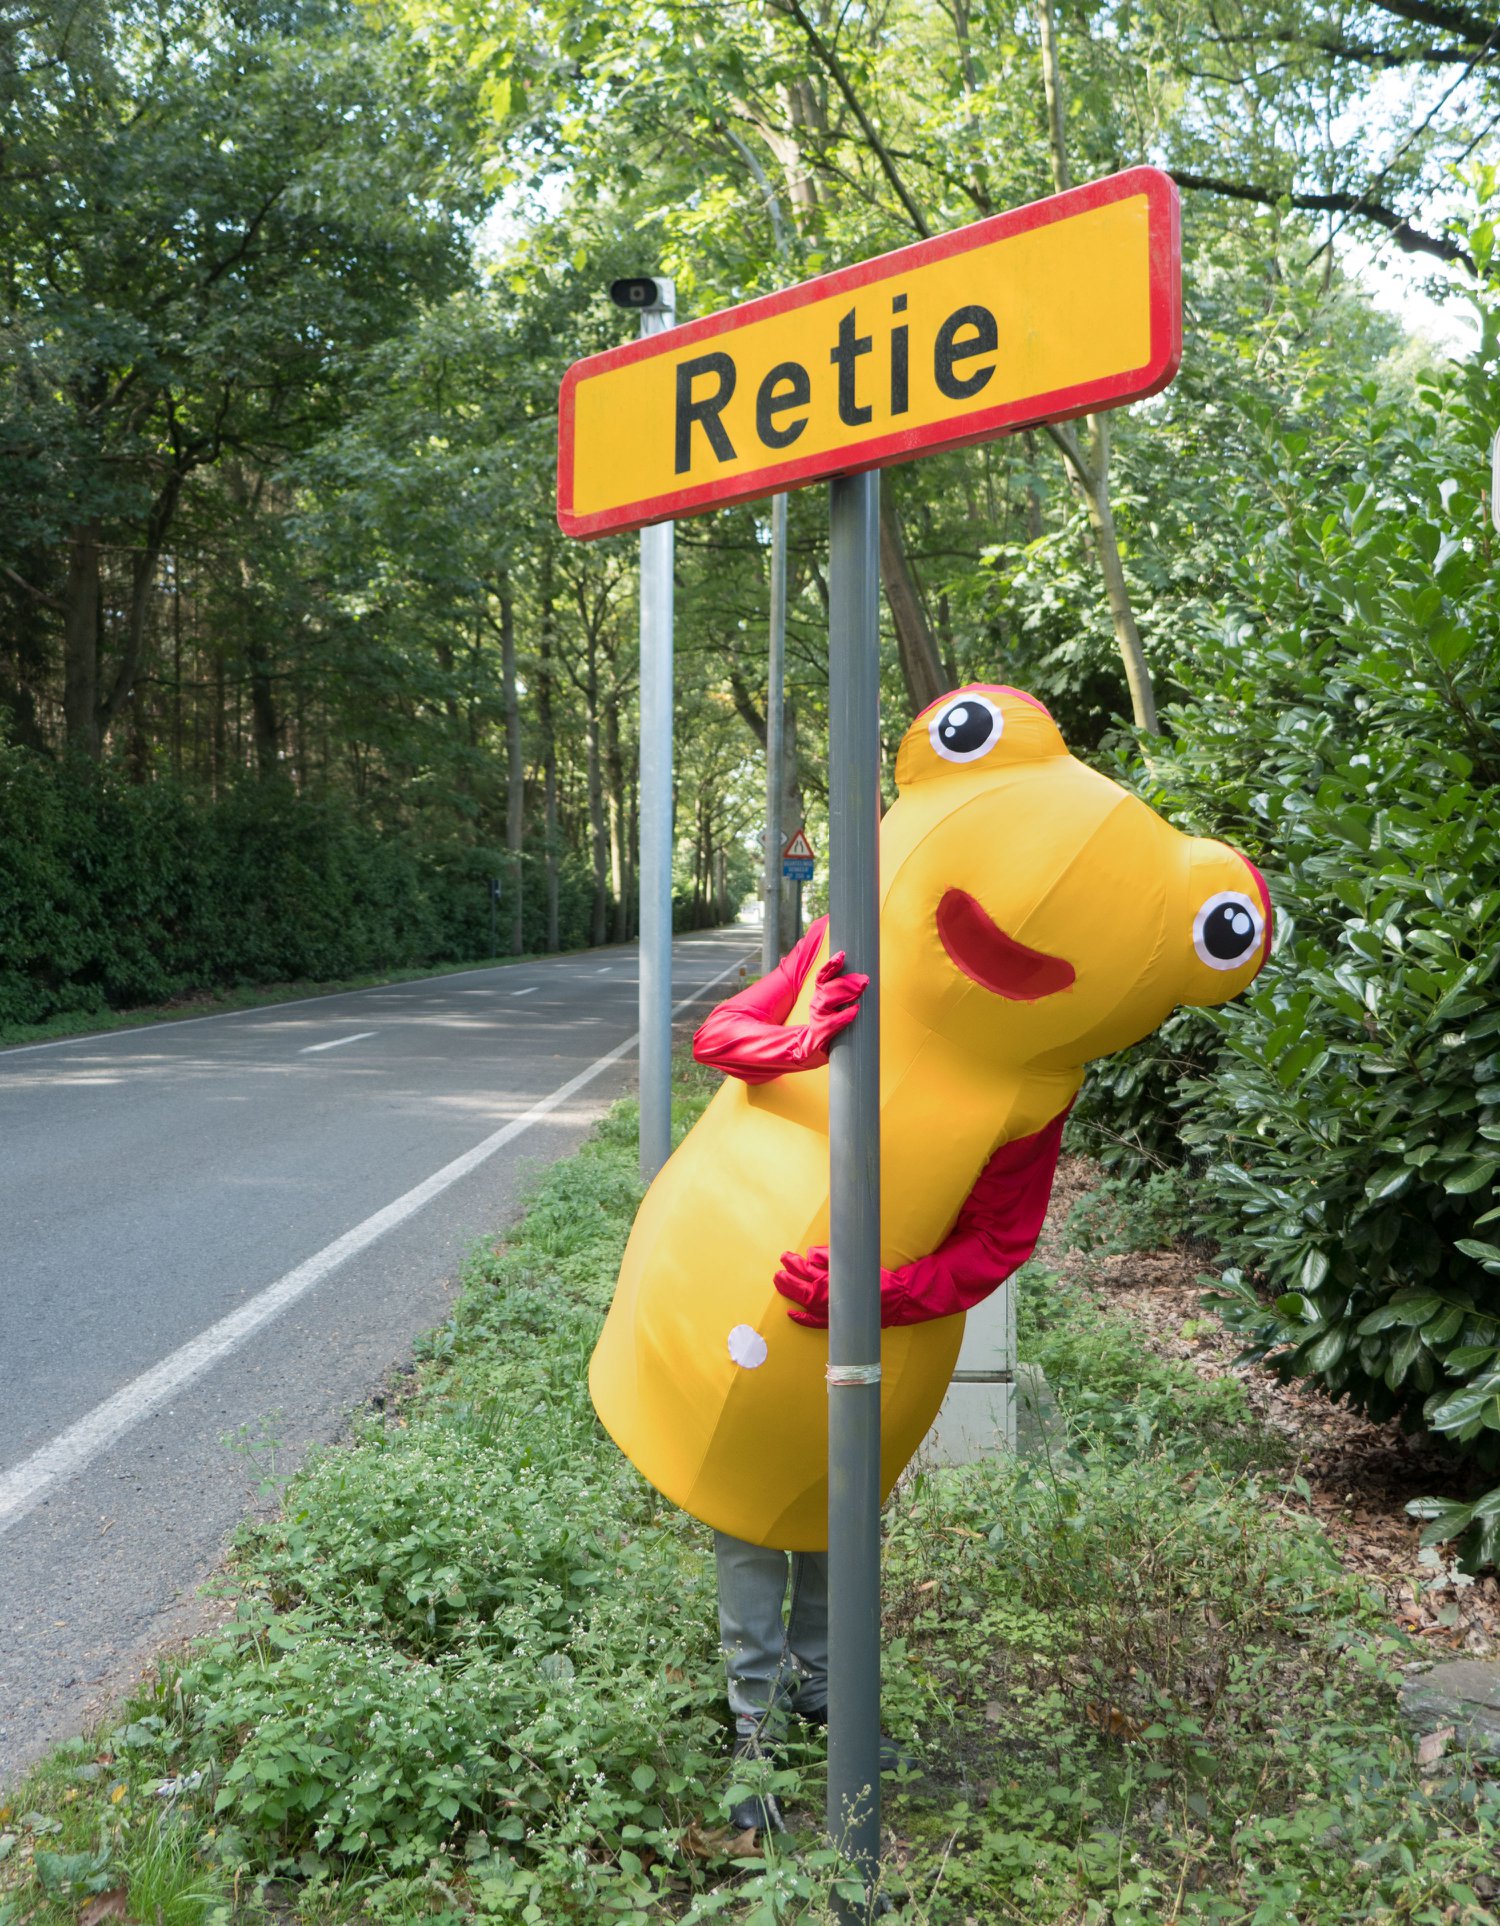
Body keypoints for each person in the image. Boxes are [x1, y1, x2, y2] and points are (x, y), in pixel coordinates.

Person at [691, 915, 1068, 1832]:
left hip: (881, 1318)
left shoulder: (1031, 1053)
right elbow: (718, 1036)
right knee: (749, 1514)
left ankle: (823, 1691)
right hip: (762, 1298)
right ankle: (754, 1725)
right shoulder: (841, 941)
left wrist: (878, 1292)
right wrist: (807, 1037)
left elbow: (999, 1241)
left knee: (839, 1502)